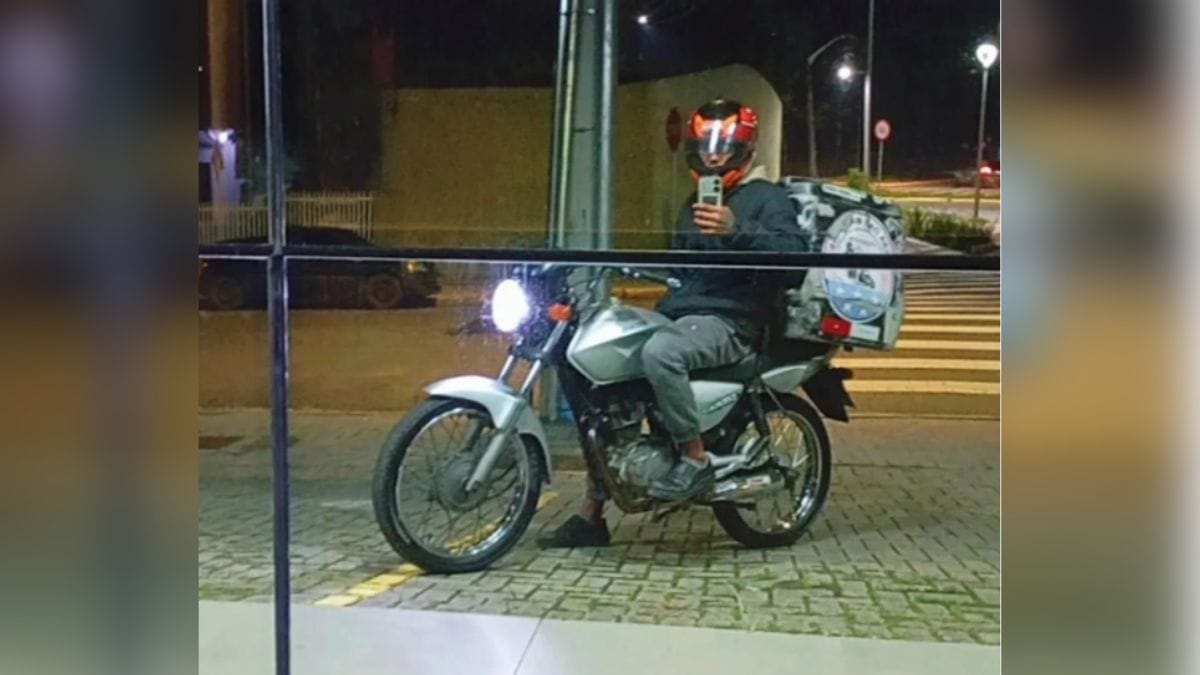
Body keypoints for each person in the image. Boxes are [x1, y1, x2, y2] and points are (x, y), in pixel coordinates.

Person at [538, 98, 808, 548]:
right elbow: (681, 269)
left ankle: (694, 457)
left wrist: (736, 230)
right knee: (591, 365)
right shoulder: (693, 203)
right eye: (705, 145)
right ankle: (593, 512)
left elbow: (795, 260)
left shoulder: (767, 197)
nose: (713, 155)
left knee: (662, 352)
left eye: (724, 146)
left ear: (744, 147)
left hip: (732, 320)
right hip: (682, 314)